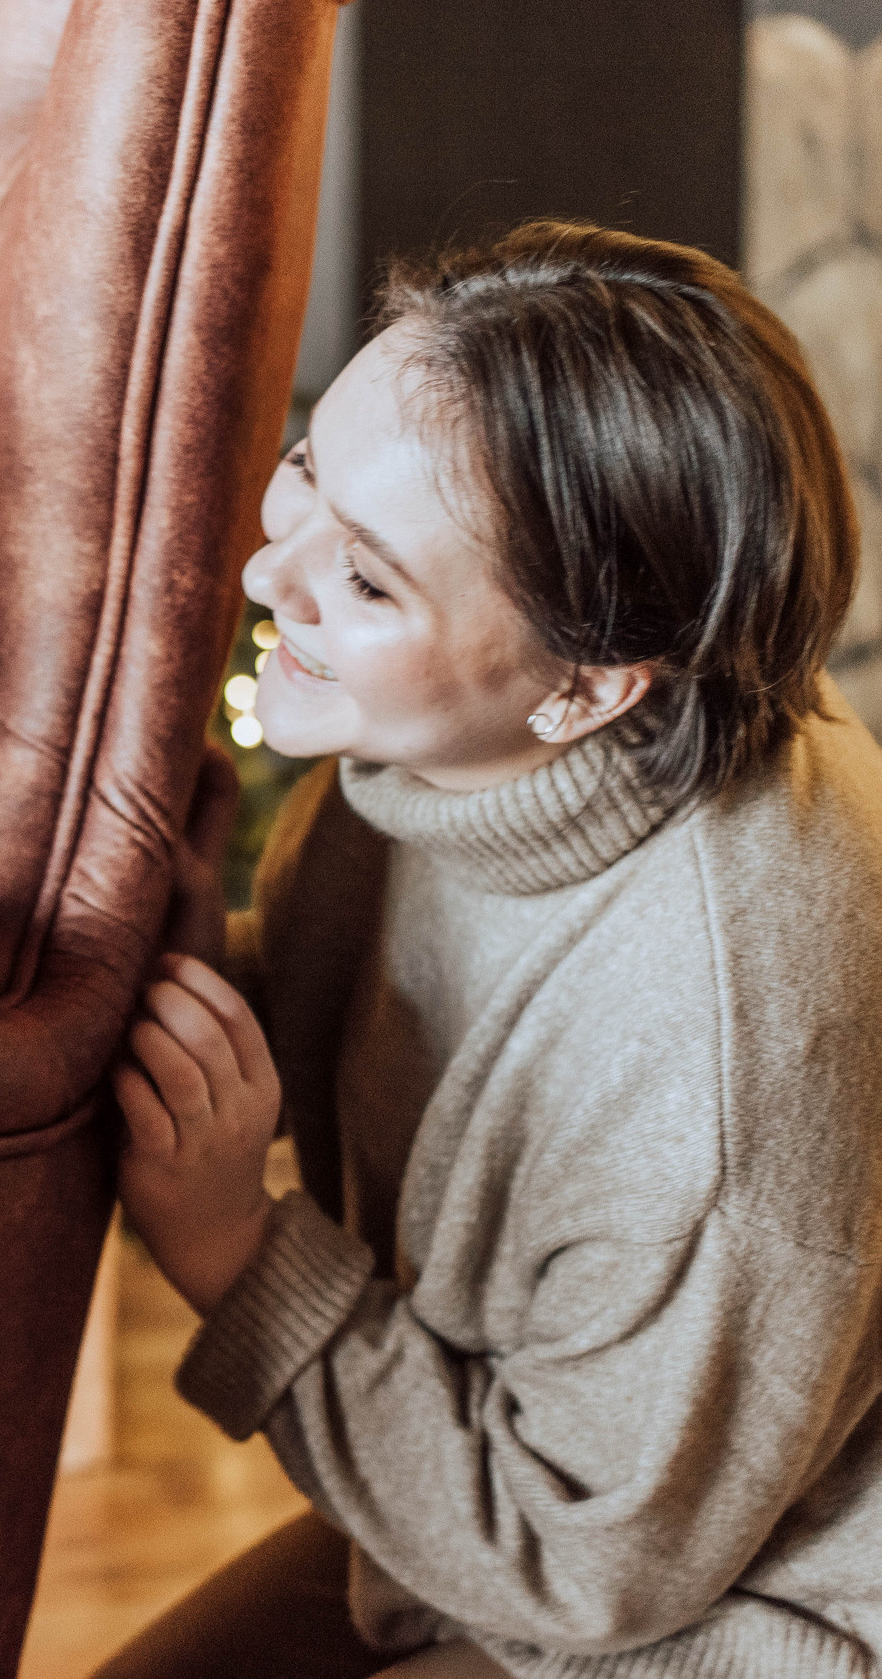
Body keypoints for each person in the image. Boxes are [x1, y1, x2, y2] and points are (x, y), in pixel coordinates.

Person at [101, 222, 882, 1678]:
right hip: (557, 1509)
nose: (277, 576)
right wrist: (214, 956)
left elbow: (587, 1565)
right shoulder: (505, 717)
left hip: (740, 1613)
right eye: (311, 472)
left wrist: (238, 1246)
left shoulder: (715, 1075)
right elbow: (445, 1033)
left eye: (374, 582)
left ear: (590, 685)